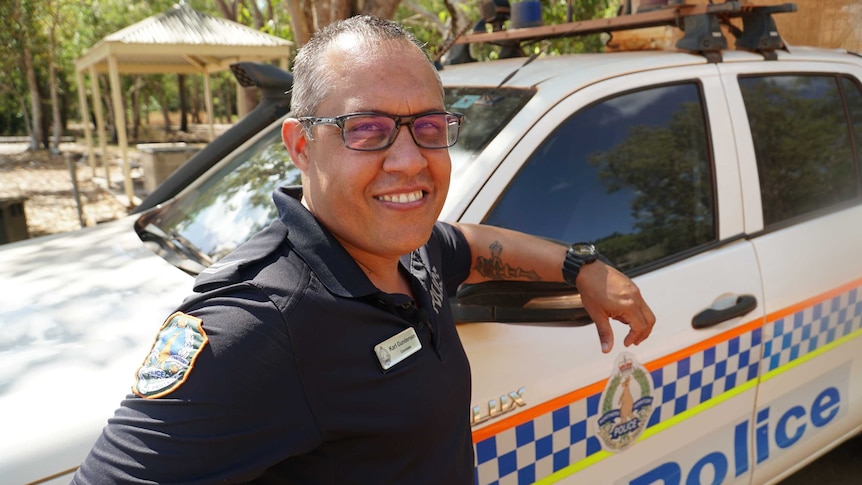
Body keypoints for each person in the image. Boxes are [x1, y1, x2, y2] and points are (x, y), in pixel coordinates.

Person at [72, 15, 655, 484]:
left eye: (427, 127)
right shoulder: (256, 327)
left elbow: (468, 246)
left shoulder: (406, 247)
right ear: (301, 145)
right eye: (366, 130)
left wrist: (579, 265)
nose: (408, 160)